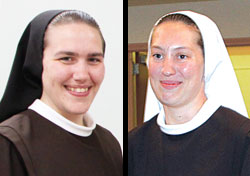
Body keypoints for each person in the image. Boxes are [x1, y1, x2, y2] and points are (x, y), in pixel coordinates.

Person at [0, 10, 122, 176]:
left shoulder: (109, 144)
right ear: (37, 63)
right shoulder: (9, 144)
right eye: (66, 58)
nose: (81, 75)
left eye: (93, 60)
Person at [128, 10, 250, 176]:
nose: (167, 69)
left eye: (182, 56)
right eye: (158, 55)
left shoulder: (242, 141)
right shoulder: (135, 144)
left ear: (208, 63)